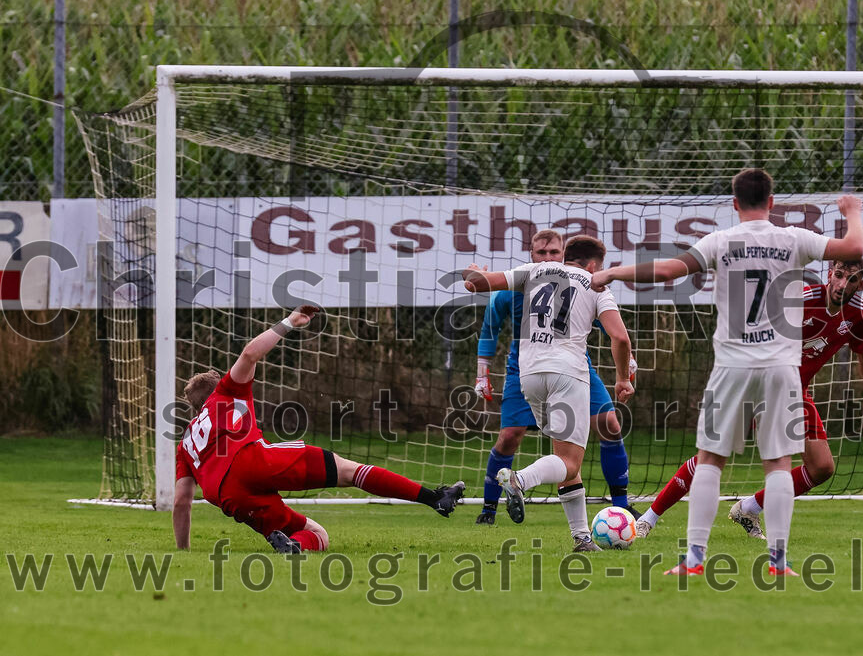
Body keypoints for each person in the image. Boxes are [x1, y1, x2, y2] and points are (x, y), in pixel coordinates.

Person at [591, 168, 863, 576]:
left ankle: (694, 560)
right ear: (771, 202)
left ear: (735, 204)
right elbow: (854, 245)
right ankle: (778, 562)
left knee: (710, 460)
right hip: (780, 369)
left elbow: (667, 271)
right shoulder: (794, 238)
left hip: (733, 365)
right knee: (778, 463)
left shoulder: (721, 241)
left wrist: (612, 273)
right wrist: (852, 211)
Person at [634, 258, 863, 539]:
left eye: (850, 280)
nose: (841, 284)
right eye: (838, 275)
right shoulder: (800, 302)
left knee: (822, 467)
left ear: (860, 284)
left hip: (794, 393)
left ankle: (748, 508)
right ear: (829, 274)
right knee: (712, 456)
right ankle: (647, 520)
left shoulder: (859, 316)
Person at [173, 305, 465, 553]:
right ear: (217, 388)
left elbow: (181, 501)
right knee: (349, 471)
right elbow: (250, 354)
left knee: (317, 534)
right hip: (252, 460)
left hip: (228, 496)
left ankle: (295, 546)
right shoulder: (225, 393)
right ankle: (434, 498)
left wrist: (184, 551)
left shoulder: (185, 443)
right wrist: (290, 321)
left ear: (195, 408)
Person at [463, 236, 634, 551]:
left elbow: (478, 283)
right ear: (594, 265)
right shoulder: (596, 284)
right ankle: (519, 480)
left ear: (565, 255)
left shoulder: (533, 271)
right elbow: (620, 338)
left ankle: (582, 538)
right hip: (567, 374)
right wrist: (623, 378)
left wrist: (472, 273)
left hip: (529, 375)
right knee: (569, 461)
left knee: (563, 458)